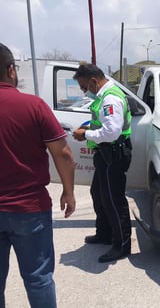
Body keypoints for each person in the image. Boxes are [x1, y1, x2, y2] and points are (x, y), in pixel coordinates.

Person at [0, 43, 76, 308]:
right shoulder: (33, 105)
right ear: (11, 70)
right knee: (38, 279)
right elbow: (64, 154)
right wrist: (68, 191)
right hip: (29, 209)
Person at [72, 64, 132, 263]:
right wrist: (89, 125)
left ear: (93, 82)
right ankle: (104, 233)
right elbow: (105, 123)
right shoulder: (102, 97)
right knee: (98, 193)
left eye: (83, 87)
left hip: (113, 155)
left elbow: (112, 132)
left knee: (114, 200)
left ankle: (121, 245)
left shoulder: (110, 99)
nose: (84, 91)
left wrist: (85, 134)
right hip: (105, 154)